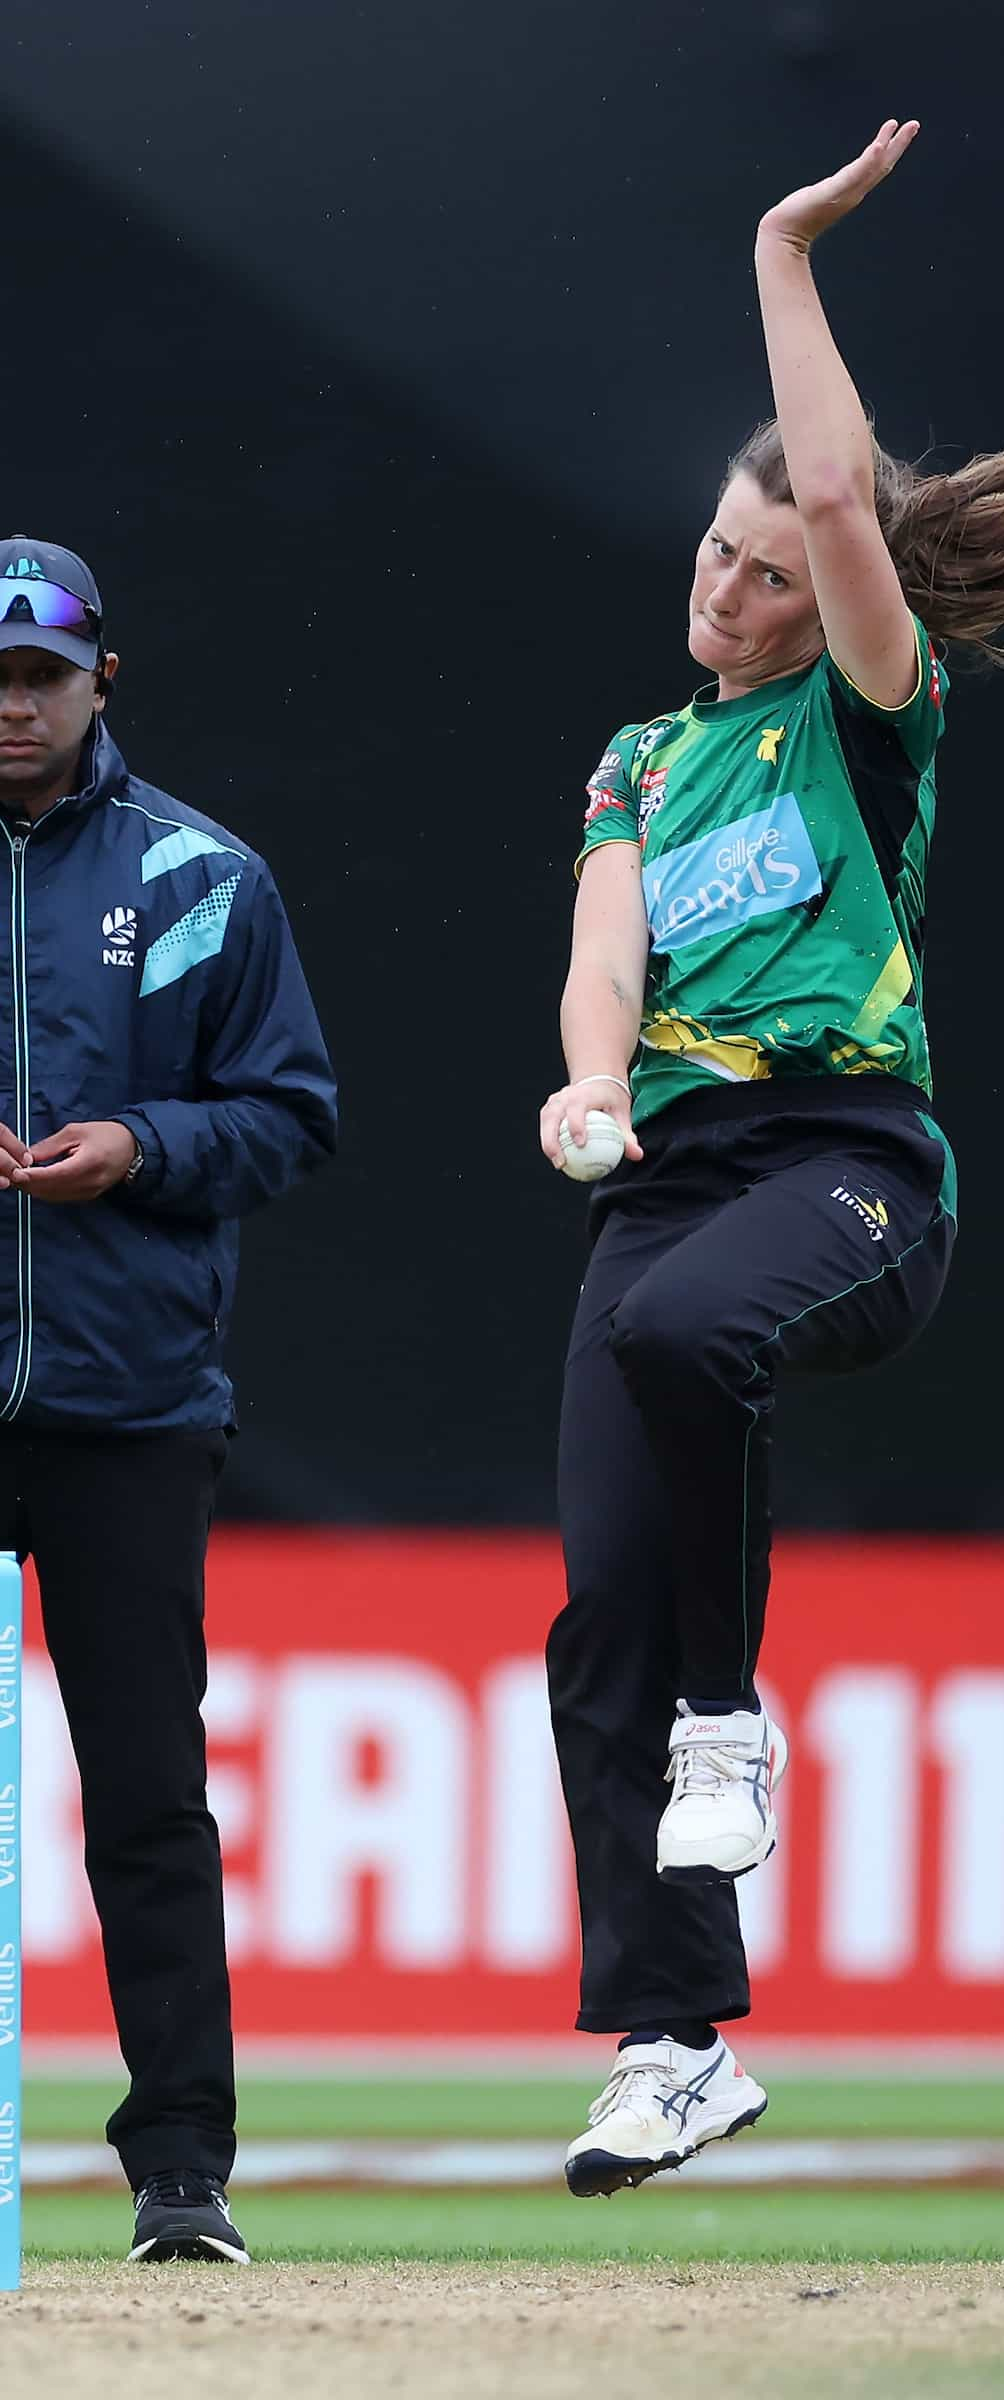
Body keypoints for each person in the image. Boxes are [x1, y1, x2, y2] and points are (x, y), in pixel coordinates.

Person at [541, 122, 1004, 2198]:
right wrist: (579, 1090)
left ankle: (733, 1728)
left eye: (762, 563)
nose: (725, 585)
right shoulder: (640, 756)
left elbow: (839, 485)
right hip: (662, 1181)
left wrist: (776, 251)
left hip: (849, 1173)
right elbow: (604, 958)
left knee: (679, 1334)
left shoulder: (866, 706)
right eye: (713, 555)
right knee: (593, 1634)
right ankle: (674, 2046)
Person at [0, 537, 336, 2261]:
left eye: (39, 677)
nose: (10, 705)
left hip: (126, 1405)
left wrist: (140, 1147)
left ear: (99, 680)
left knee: (144, 1793)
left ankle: (181, 2173)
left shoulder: (206, 876)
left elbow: (292, 1116)